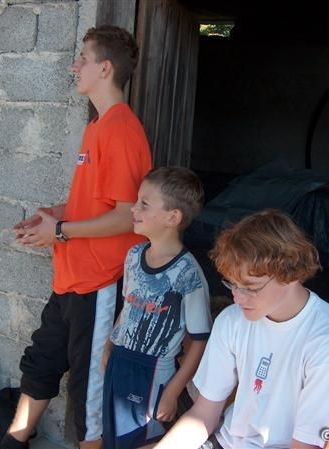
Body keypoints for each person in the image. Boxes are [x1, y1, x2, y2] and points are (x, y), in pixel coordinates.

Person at [0, 25, 152, 449]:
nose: (74, 66)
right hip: (71, 276)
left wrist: (60, 232)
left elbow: (128, 216)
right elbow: (98, 203)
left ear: (105, 68)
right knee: (42, 361)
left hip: (101, 280)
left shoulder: (121, 129)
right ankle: (13, 442)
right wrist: (53, 215)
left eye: (83, 58)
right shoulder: (97, 127)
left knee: (90, 393)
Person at [153, 209, 329, 449]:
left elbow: (306, 446)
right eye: (232, 284)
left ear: (291, 274)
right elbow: (203, 413)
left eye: (251, 288)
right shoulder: (232, 320)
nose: (237, 298)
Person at [102, 167, 213, 449]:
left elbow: (199, 341)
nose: (133, 209)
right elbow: (128, 307)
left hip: (153, 372)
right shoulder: (134, 255)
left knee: (140, 441)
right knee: (114, 439)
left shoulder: (188, 274)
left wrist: (173, 391)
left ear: (172, 217)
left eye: (144, 204)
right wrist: (108, 348)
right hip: (119, 361)